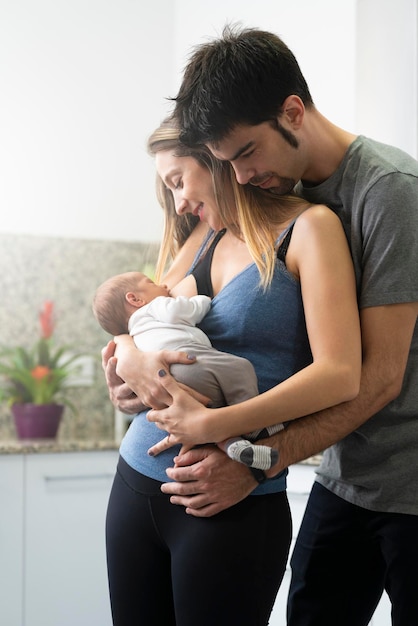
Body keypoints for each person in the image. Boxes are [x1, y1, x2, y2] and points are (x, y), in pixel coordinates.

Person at [146, 24, 418, 626]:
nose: (239, 177)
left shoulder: (390, 190)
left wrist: (253, 460)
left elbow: (378, 380)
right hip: (344, 477)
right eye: (225, 162)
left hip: (411, 487)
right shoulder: (284, 200)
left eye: (246, 154)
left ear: (293, 112)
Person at [102, 117, 361, 626]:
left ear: (216, 155)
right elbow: (141, 317)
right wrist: (129, 362)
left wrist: (215, 425)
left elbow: (340, 373)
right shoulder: (203, 232)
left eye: (179, 181)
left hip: (229, 500)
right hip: (136, 481)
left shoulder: (308, 230)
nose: (178, 203)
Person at [93, 269, 282, 470]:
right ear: (134, 299)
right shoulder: (154, 306)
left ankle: (233, 444)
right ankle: (252, 427)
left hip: (168, 387)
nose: (165, 286)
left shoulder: (136, 332)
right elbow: (181, 310)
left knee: (207, 416)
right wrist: (202, 301)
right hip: (187, 360)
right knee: (240, 368)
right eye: (151, 282)